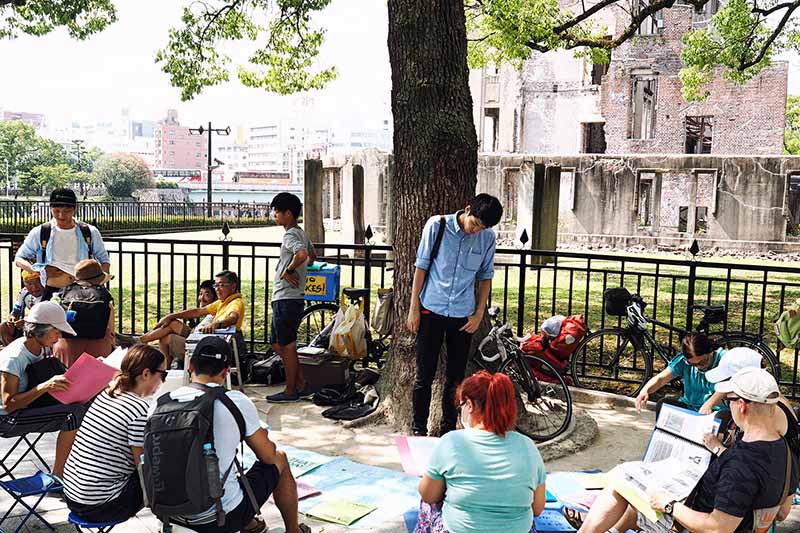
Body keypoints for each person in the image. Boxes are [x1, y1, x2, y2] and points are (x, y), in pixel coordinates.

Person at [579, 368, 798, 533]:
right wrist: (719, 450)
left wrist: (669, 505)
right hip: (741, 521)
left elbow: (717, 528)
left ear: (741, 405)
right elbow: (777, 507)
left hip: (689, 524)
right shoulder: (783, 450)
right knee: (638, 488)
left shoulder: (740, 466)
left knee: (621, 482)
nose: (727, 406)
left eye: (728, 401)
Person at [150, 336, 309, 533]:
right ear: (226, 372)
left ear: (190, 365)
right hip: (219, 518)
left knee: (223, 469)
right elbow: (268, 455)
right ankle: (294, 531)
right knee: (280, 460)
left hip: (167, 514)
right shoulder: (234, 401)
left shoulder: (160, 404)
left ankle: (251, 525)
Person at [407, 193, 503, 435]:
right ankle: (418, 428)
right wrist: (414, 309)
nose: (476, 231)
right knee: (424, 376)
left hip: (462, 316)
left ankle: (448, 429)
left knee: (457, 379)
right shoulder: (437, 226)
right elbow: (421, 268)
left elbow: (485, 276)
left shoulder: (487, 238)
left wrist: (479, 314)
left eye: (482, 227)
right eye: (475, 223)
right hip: (431, 310)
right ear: (467, 209)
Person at [417, 371, 546, 533]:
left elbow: (428, 495)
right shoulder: (528, 446)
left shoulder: (450, 442)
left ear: (469, 405)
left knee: (427, 504)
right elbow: (538, 508)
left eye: (461, 405)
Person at [63, 345, 166, 523]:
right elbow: (143, 466)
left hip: (73, 496)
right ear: (146, 374)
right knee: (163, 469)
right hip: (100, 505)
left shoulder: (107, 394)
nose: (163, 381)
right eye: (162, 375)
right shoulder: (140, 411)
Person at [0, 301, 84, 477]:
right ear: (39, 331)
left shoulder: (42, 347)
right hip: (6, 419)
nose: (60, 336)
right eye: (56, 331)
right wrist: (44, 387)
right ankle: (59, 476)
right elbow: (8, 405)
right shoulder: (14, 358)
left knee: (84, 405)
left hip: (30, 406)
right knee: (72, 414)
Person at [14, 188, 110, 302]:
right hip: (52, 291)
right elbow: (19, 259)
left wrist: (96, 283)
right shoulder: (41, 232)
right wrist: (39, 271)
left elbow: (104, 260)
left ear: (75, 208)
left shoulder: (89, 232)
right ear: (50, 208)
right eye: (56, 210)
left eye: (66, 211)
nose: (61, 215)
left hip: (84, 292)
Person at [266, 192, 316, 403]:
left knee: (286, 345)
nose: (274, 214)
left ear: (288, 213)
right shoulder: (300, 233)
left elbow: (303, 255)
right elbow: (312, 256)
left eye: (277, 211)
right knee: (277, 344)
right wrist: (299, 268)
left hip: (287, 298)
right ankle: (301, 384)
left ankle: (290, 391)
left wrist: (289, 269)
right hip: (286, 297)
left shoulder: (290, 235)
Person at [139, 271, 245, 368]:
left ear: (233, 286)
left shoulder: (235, 303)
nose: (217, 288)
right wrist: (170, 316)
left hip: (211, 349)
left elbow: (233, 318)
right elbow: (197, 311)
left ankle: (164, 368)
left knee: (166, 338)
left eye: (221, 285)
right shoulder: (222, 302)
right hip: (203, 339)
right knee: (172, 324)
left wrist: (216, 324)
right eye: (216, 285)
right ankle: (142, 341)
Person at [634, 333, 725, 415]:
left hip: (716, 410)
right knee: (664, 405)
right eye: (692, 364)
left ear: (710, 351)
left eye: (702, 362)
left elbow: (729, 385)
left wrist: (709, 404)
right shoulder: (683, 361)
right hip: (690, 407)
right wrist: (645, 390)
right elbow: (661, 379)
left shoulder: (725, 359)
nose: (699, 367)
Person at [53, 258, 116, 366]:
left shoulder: (61, 295)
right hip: (98, 348)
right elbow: (111, 332)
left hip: (65, 348)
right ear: (100, 279)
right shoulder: (104, 298)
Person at [0, 270, 44, 345]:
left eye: (38, 282)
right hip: (30, 325)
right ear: (24, 284)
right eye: (29, 284)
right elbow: (15, 312)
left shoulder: (50, 293)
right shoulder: (24, 292)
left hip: (44, 327)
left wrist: (27, 322)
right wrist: (12, 319)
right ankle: (12, 350)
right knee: (4, 327)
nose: (34, 287)